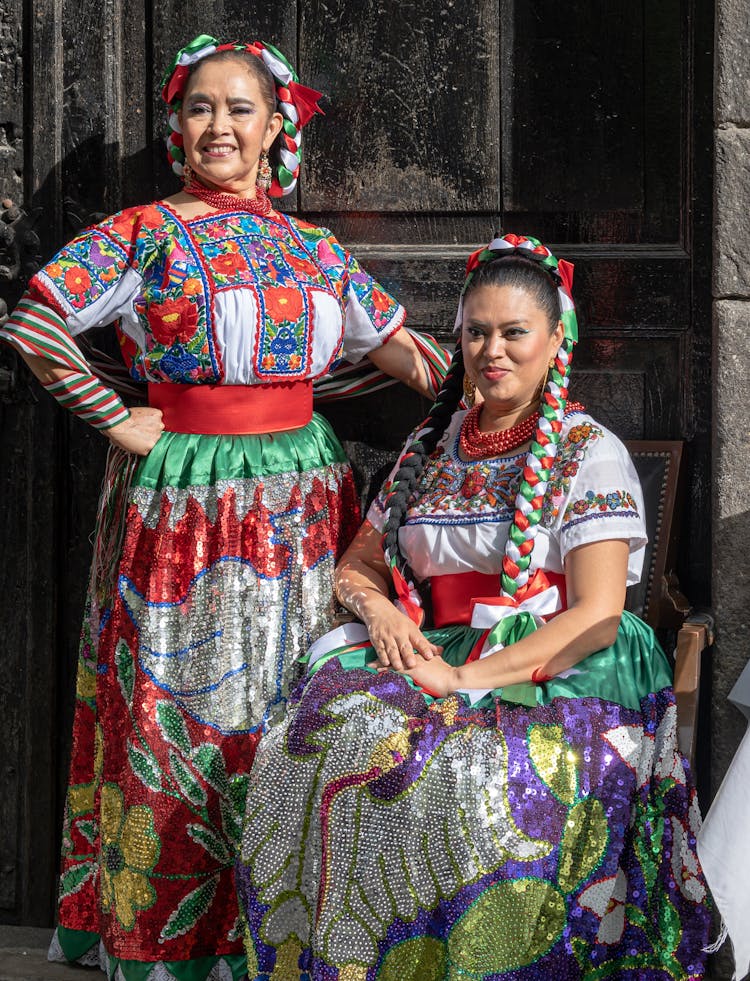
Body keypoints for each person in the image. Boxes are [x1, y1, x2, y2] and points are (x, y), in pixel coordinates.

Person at [0, 34, 446, 981]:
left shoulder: (316, 252)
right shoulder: (144, 233)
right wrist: (117, 417)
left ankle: (288, 929)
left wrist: (504, 408)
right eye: (201, 108)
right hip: (187, 501)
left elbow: (407, 356)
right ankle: (178, 940)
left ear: (277, 128)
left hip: (303, 500)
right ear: (176, 126)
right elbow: (35, 318)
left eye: (240, 109)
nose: (219, 127)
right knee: (187, 705)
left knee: (295, 700)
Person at [235, 234, 711, 979]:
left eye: (515, 331)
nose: (494, 350)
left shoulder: (590, 452)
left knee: (475, 776)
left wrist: (468, 680)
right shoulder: (435, 445)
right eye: (477, 331)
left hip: (557, 667)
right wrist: (382, 611)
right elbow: (358, 561)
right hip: (438, 649)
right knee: (317, 744)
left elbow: (597, 616)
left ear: (557, 340)